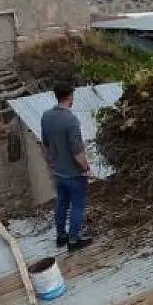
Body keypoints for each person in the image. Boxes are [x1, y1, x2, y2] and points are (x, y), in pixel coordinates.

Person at [40, 81, 93, 252]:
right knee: (77, 205)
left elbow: (45, 145)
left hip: (58, 172)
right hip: (74, 174)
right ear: (70, 96)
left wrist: (52, 164)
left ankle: (61, 236)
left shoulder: (46, 116)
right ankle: (74, 239)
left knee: (61, 204)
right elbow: (77, 151)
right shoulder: (71, 120)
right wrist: (86, 169)